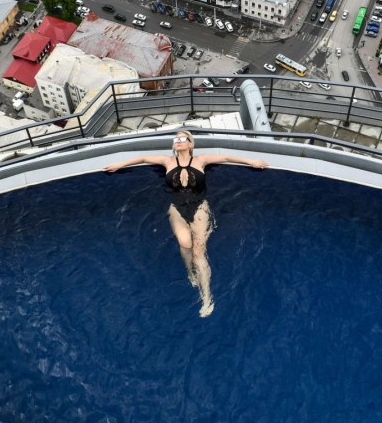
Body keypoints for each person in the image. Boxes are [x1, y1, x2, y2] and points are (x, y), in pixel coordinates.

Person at [103, 131, 268, 317]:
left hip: (199, 207)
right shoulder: (167, 161)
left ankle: (207, 297)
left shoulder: (201, 160)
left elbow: (226, 157)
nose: (178, 141)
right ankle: (191, 272)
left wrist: (252, 162)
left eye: (183, 139)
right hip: (176, 208)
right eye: (176, 139)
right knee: (184, 244)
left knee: (199, 251)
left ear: (190, 144)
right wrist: (119, 164)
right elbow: (143, 158)